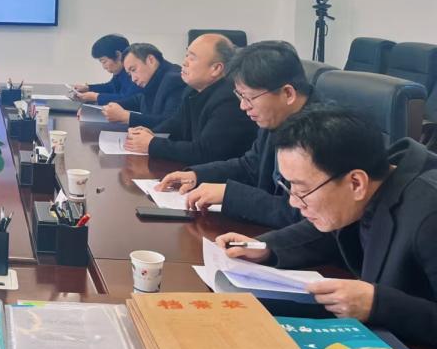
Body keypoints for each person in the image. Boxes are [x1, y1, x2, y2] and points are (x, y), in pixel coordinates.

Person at [218, 105, 437, 346]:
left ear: (356, 183)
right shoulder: (373, 187)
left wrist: (379, 305)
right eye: (289, 186)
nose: (293, 202)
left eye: (302, 190)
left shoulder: (429, 215)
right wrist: (266, 247)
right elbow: (331, 232)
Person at [155, 40, 311, 228]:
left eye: (249, 97)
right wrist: (197, 175)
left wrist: (229, 194)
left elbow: (301, 214)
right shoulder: (276, 115)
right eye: (240, 96)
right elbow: (250, 165)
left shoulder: (321, 135)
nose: (243, 106)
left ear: (287, 93)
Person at [124, 34, 257, 163]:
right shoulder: (192, 90)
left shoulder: (229, 99)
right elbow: (176, 123)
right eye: (186, 55)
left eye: (192, 58)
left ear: (216, 69)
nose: (184, 62)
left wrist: (152, 144)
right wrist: (152, 133)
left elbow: (206, 152)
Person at [101, 43, 185, 129]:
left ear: (151, 60)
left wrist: (126, 117)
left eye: (133, 69)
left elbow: (170, 123)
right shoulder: (153, 80)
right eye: (129, 74)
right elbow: (139, 99)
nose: (133, 79)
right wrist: (114, 105)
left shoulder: (175, 79)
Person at [72, 33, 141, 105]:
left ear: (118, 55)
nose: (104, 67)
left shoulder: (134, 74)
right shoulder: (120, 71)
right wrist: (88, 88)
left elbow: (128, 99)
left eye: (104, 61)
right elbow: (111, 87)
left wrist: (97, 97)